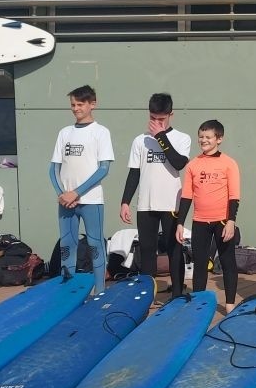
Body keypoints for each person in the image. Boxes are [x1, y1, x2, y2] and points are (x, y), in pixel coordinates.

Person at [119, 93, 191, 290]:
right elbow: (134, 173)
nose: (156, 123)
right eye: (153, 118)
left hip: (171, 203)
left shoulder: (182, 138)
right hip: (146, 203)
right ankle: (147, 292)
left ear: (171, 115)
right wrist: (125, 201)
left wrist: (160, 136)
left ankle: (177, 291)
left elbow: (178, 163)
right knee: (147, 249)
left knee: (174, 249)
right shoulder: (139, 141)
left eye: (161, 119)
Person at [49, 84, 114, 296]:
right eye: (73, 105)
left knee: (95, 244)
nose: (76, 108)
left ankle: (100, 291)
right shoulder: (64, 132)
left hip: (91, 200)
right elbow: (53, 169)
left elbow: (103, 169)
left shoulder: (101, 132)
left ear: (92, 104)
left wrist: (75, 192)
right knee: (67, 244)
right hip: (66, 202)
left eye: (80, 104)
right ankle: (68, 292)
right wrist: (62, 194)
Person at [174, 119, 240, 309]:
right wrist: (180, 223)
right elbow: (186, 196)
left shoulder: (229, 163)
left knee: (228, 262)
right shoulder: (193, 164)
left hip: (222, 221)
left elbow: (234, 195)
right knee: (200, 264)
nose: (204, 140)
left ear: (219, 139)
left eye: (208, 137)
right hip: (200, 221)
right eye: (201, 136)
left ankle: (229, 304)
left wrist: (231, 221)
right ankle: (199, 304)